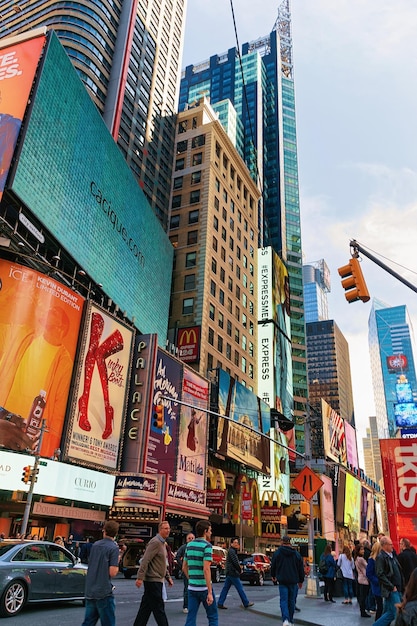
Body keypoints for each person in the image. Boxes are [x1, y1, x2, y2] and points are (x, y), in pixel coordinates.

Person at [133, 520, 173, 626]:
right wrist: (140, 577)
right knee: (159, 609)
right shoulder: (155, 542)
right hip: (153, 580)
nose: (168, 530)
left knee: (145, 609)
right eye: (165, 528)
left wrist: (168, 577)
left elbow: (163, 562)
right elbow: (146, 560)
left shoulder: (162, 543)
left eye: (169, 528)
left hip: (157, 580)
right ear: (160, 530)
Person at [81, 520, 120, 626]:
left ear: (104, 531)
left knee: (89, 621)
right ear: (116, 533)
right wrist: (117, 562)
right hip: (104, 591)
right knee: (108, 622)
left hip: (91, 588)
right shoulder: (114, 548)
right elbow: (112, 572)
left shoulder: (95, 545)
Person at [182, 520, 218, 626]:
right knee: (212, 617)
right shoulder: (207, 546)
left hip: (192, 588)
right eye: (210, 530)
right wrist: (210, 592)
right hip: (204, 588)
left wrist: (192, 578)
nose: (211, 533)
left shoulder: (189, 545)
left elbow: (184, 567)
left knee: (191, 617)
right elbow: (206, 569)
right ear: (205, 531)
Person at [271, 535, 305, 626]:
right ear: (290, 542)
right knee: (292, 601)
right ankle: (290, 620)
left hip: (282, 580)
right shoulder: (296, 554)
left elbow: (273, 565)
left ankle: (285, 619)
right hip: (293, 581)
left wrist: (273, 575)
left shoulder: (277, 553)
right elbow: (300, 569)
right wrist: (301, 580)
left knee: (283, 601)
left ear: (282, 542)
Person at [373, 536, 404, 626]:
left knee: (389, 613)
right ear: (385, 545)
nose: (392, 546)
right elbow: (380, 574)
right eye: (390, 544)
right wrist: (391, 586)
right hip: (392, 589)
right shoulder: (381, 557)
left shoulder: (391, 556)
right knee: (396, 613)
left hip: (396, 589)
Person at [217, 537, 254, 609]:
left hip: (230, 572)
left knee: (226, 588)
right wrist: (239, 570)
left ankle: (220, 602)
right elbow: (235, 562)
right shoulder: (232, 551)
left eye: (237, 543)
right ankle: (246, 602)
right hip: (232, 572)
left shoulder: (232, 551)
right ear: (231, 544)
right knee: (240, 588)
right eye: (235, 543)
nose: (237, 544)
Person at [175, 532, 195, 613]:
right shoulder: (184, 547)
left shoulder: (196, 547)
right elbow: (177, 557)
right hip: (187, 571)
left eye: (192, 538)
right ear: (186, 540)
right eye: (189, 538)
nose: (191, 539)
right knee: (187, 589)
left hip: (195, 571)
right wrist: (182, 567)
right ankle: (185, 606)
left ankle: (193, 605)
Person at [366, 541, 384, 620]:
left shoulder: (381, 558)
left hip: (381, 584)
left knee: (381, 606)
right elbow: (369, 574)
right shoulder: (372, 560)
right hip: (377, 585)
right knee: (380, 606)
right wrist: (377, 581)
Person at [354, 544, 371, 617]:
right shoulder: (361, 559)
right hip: (364, 579)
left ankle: (362, 610)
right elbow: (367, 567)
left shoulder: (356, 559)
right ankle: (363, 611)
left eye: (363, 549)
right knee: (364, 596)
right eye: (361, 549)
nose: (363, 551)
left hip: (360, 578)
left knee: (362, 596)